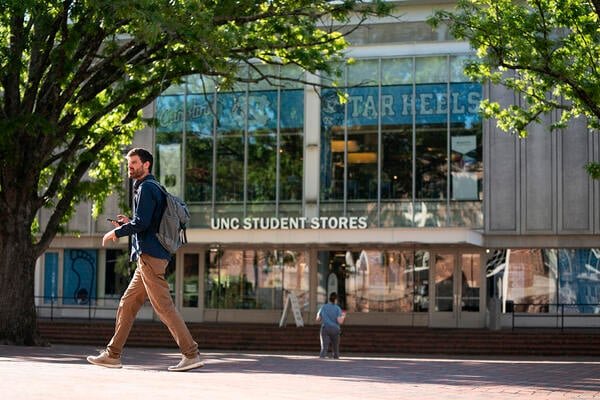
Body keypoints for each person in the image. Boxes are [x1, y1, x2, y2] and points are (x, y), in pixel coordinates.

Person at [87, 148, 203, 372]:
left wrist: (116, 232)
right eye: (128, 163)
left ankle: (191, 354)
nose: (130, 166)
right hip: (149, 257)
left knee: (164, 307)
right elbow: (146, 222)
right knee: (127, 304)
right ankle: (113, 355)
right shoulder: (152, 187)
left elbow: (141, 223)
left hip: (151, 257)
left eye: (134, 162)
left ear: (146, 164)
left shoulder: (147, 187)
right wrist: (127, 223)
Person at [316, 292, 345, 359]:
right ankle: (336, 360)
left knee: (324, 348)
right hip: (335, 329)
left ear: (329, 299)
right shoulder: (338, 308)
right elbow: (339, 321)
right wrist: (343, 316)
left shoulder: (323, 307)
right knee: (335, 349)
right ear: (336, 300)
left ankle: (321, 360)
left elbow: (318, 319)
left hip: (325, 328)